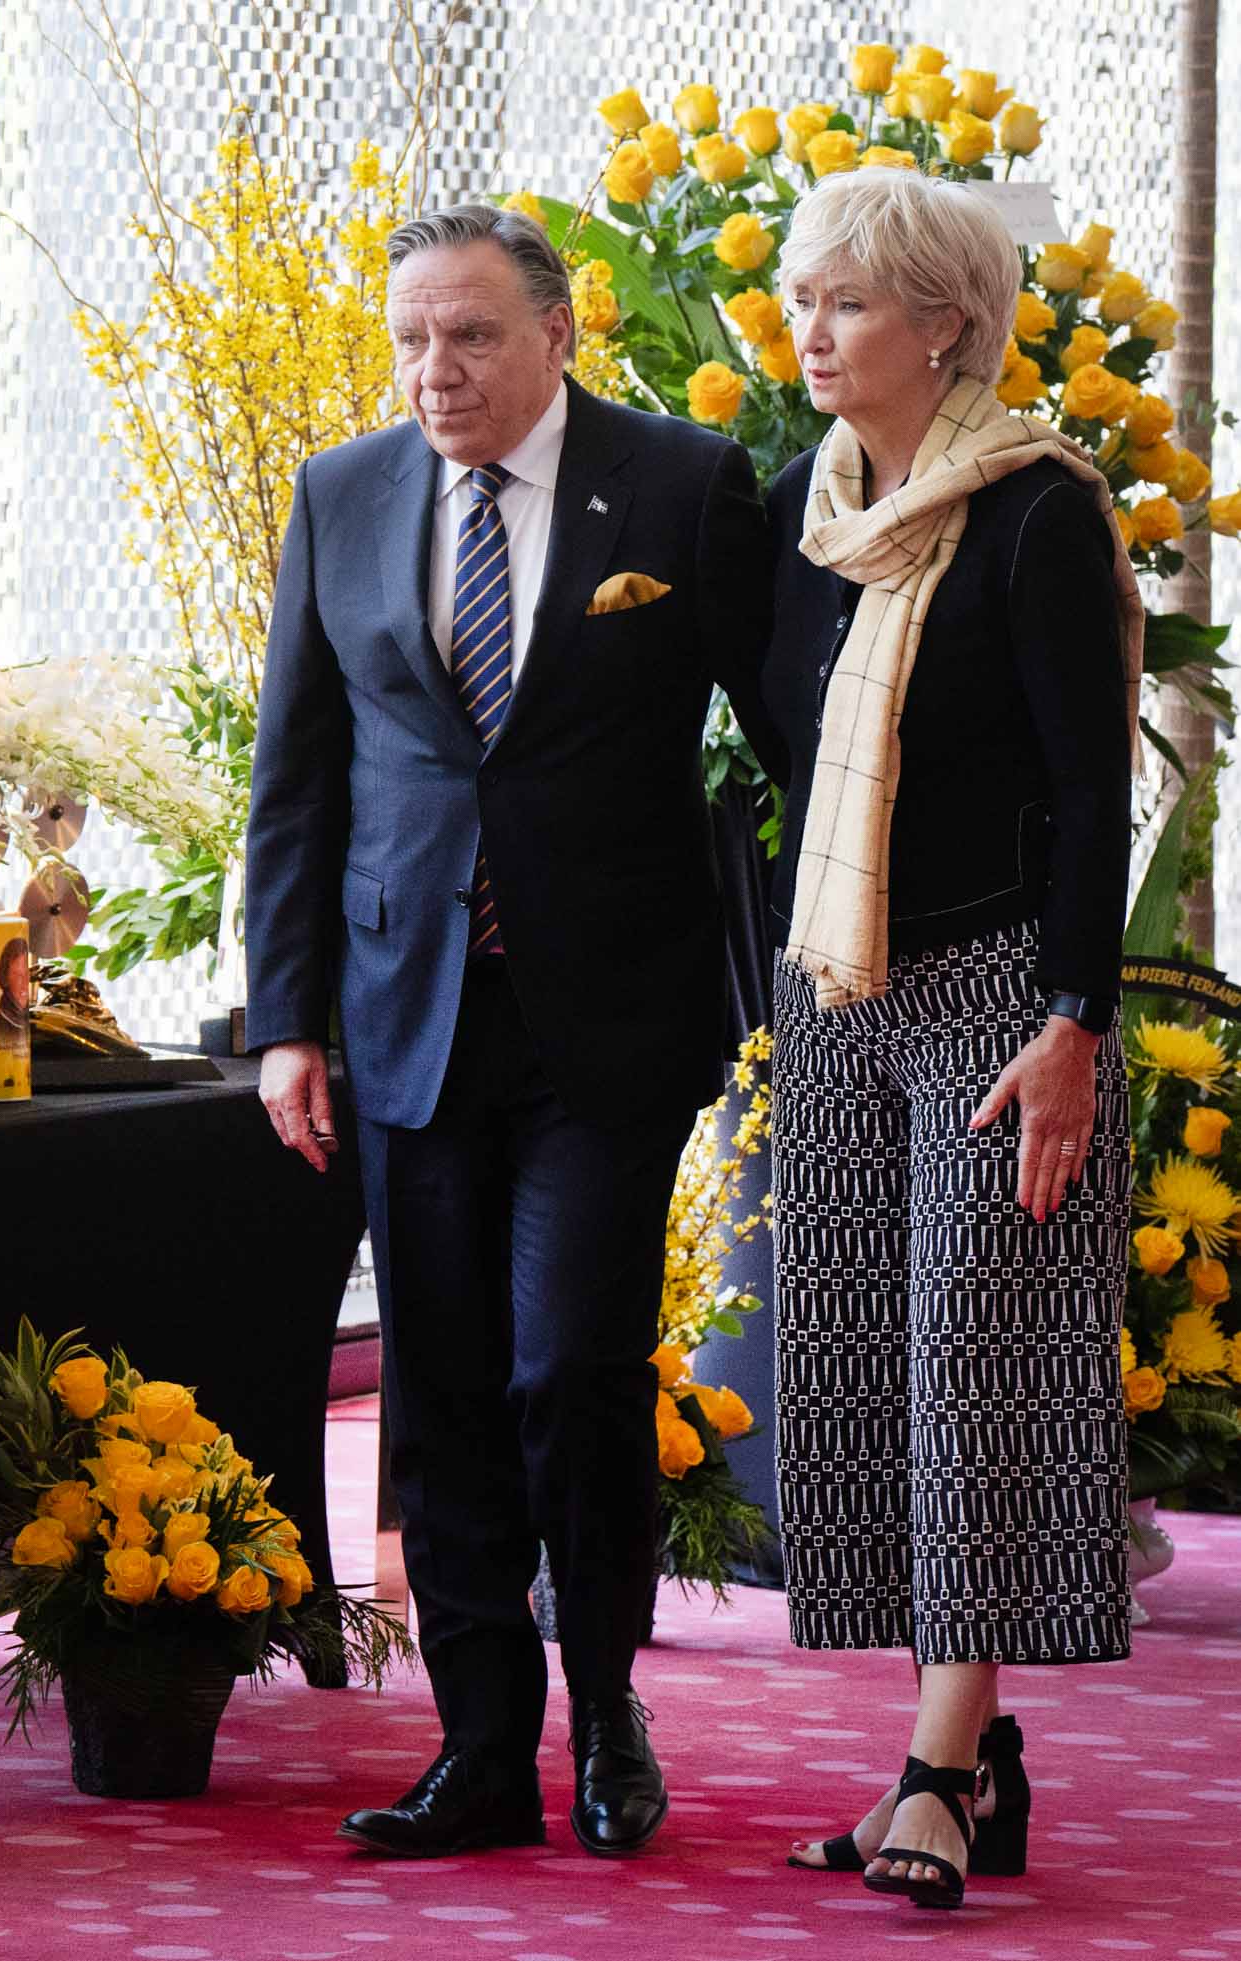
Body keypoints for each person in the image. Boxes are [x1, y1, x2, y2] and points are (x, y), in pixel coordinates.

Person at [247, 203, 782, 1861]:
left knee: (573, 1368)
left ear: (560, 335)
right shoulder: (341, 493)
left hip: (608, 1019)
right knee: (446, 1388)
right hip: (406, 1009)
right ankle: (480, 1744)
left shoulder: (685, 487)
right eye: (411, 337)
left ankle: (606, 1701)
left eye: (471, 335)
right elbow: (297, 777)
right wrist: (286, 1022)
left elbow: (789, 739)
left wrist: (814, 959)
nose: (436, 369)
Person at [760, 168, 1138, 1911]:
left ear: (942, 322)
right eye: (799, 295)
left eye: (844, 302)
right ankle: (973, 1755)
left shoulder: (1042, 512)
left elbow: (1086, 798)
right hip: (843, 987)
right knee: (856, 1367)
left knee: (970, 1362)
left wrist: (1075, 1024)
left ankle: (935, 1767)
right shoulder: (802, 504)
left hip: (1003, 995)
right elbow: (777, 752)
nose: (808, 330)